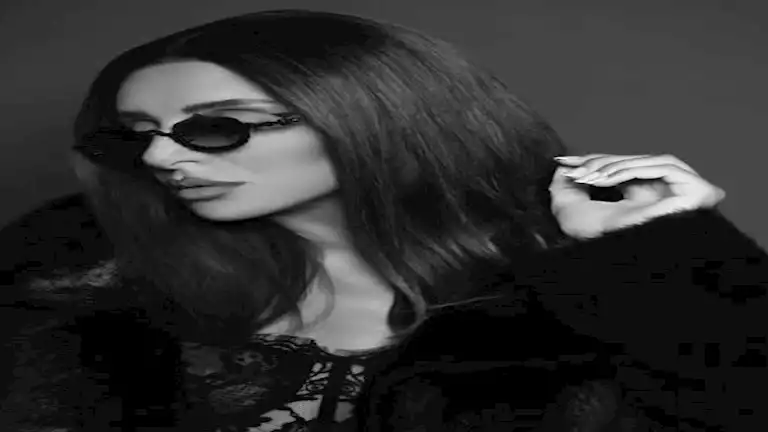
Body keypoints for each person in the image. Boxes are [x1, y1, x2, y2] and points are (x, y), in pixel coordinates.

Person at [0, 8, 763, 432]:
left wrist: (661, 252)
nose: (161, 157)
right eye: (133, 135)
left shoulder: (591, 278)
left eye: (216, 127)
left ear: (375, 120)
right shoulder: (75, 284)